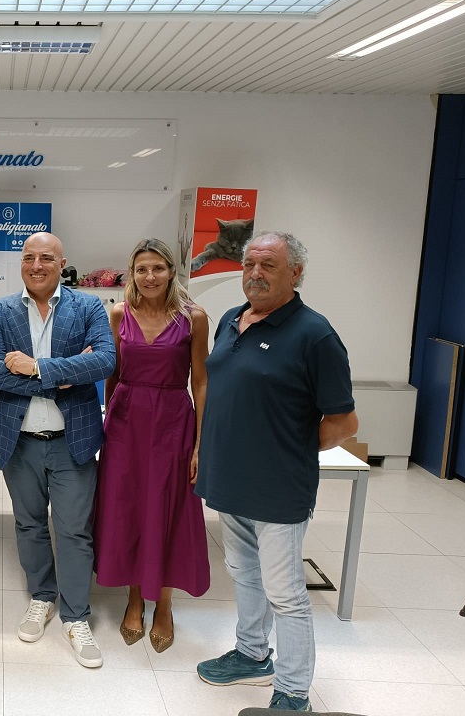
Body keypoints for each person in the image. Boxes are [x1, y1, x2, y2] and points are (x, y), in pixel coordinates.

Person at [195, 231, 358, 712]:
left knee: (285, 594)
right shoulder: (231, 319)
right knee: (244, 573)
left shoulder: (315, 335)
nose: (255, 274)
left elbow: (344, 423)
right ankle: (252, 654)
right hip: (229, 480)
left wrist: (288, 451)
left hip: (278, 489)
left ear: (295, 273)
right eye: (249, 264)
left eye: (268, 265)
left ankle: (293, 692)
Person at [0, 231, 116, 668]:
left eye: (46, 258)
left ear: (62, 263)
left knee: (74, 530)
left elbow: (105, 360)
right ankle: (42, 596)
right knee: (29, 525)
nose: (36, 265)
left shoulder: (88, 306)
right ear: (21, 263)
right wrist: (65, 375)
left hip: (72, 441)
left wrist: (36, 367)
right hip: (18, 441)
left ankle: (76, 616)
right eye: (29, 258)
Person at [93, 238, 211, 654]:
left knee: (166, 510)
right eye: (141, 269)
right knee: (128, 510)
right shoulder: (118, 314)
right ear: (132, 273)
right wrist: (107, 426)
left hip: (172, 424)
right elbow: (112, 375)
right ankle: (132, 598)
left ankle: (163, 604)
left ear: (172, 272)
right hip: (126, 423)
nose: (149, 276)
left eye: (158, 268)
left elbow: (201, 381)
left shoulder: (194, 318)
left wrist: (200, 442)